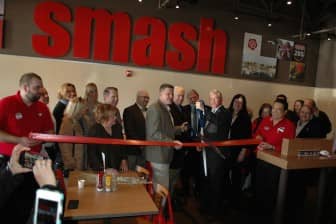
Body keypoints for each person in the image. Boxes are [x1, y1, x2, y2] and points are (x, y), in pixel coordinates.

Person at [0, 73, 55, 223]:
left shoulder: (43, 108)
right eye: (37, 88)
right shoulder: (6, 103)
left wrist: (39, 139)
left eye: (41, 87)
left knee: (29, 203)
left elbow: (50, 132)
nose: (41, 91)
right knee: (8, 203)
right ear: (25, 87)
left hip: (33, 162)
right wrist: (19, 140)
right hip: (8, 162)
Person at [254, 99, 295, 220]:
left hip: (276, 164)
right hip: (261, 159)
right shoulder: (266, 120)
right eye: (274, 108)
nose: (275, 111)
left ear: (285, 112)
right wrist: (258, 137)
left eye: (279, 109)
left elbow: (290, 146)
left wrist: (272, 147)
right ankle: (257, 214)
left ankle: (269, 216)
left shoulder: (289, 125)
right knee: (259, 187)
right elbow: (257, 134)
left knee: (271, 191)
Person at [197, 89, 231, 221]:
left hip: (217, 154)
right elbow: (205, 131)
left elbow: (217, 123)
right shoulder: (211, 112)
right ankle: (206, 207)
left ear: (221, 99)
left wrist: (204, 110)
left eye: (215, 98)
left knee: (216, 183)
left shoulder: (225, 113)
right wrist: (200, 142)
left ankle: (215, 211)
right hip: (207, 152)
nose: (213, 101)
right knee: (206, 181)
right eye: (211, 99)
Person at [145, 83, 184, 189]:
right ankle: (158, 207)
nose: (171, 96)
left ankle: (159, 206)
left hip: (163, 155)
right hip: (158, 156)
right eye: (168, 94)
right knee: (161, 189)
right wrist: (172, 142)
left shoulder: (165, 108)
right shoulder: (154, 108)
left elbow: (166, 129)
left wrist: (179, 129)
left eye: (172, 94)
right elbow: (153, 133)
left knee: (161, 189)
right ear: (160, 94)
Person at [227, 94, 252, 207]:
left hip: (237, 151)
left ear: (243, 105)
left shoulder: (245, 118)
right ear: (232, 102)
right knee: (225, 174)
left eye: (241, 102)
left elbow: (247, 137)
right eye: (236, 101)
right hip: (224, 150)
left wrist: (243, 152)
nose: (238, 104)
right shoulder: (227, 114)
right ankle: (226, 197)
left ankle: (234, 200)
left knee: (236, 176)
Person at [87, 104, 128, 171]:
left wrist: (124, 160)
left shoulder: (117, 127)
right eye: (113, 116)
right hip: (100, 169)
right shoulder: (94, 130)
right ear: (105, 118)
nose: (115, 117)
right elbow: (92, 155)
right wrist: (103, 169)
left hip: (116, 168)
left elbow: (122, 145)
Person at [59, 97, 89, 171]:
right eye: (84, 107)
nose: (86, 109)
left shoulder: (83, 120)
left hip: (83, 161)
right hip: (74, 163)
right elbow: (64, 144)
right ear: (77, 109)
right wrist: (70, 162)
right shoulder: (67, 122)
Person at [123, 90, 150, 170]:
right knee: (131, 174)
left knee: (143, 174)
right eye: (144, 97)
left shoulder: (150, 111)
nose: (146, 99)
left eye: (148, 98)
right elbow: (129, 130)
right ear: (138, 98)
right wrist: (140, 144)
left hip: (147, 149)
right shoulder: (129, 110)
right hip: (133, 150)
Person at [169, 86, 188, 198]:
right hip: (172, 152)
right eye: (178, 95)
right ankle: (166, 207)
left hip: (181, 151)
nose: (181, 98)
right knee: (169, 181)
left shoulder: (183, 109)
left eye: (182, 96)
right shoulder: (169, 109)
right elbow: (167, 129)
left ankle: (170, 203)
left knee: (174, 180)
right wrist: (180, 128)